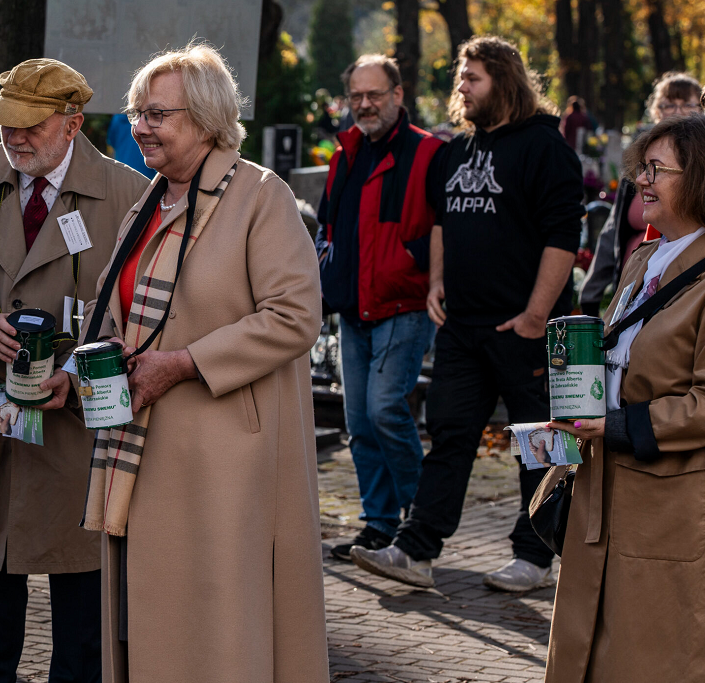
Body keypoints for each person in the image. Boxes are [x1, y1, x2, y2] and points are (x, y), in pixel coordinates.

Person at [81, 42, 328, 682]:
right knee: (157, 627)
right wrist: (78, 374)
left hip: (227, 465)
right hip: (147, 447)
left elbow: (296, 315)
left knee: (219, 628)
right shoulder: (152, 200)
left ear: (208, 119)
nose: (139, 126)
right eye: (137, 112)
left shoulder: (259, 197)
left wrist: (185, 363)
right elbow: (124, 315)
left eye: (158, 114)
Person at [0, 58, 148, 683]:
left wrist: (75, 372)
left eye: (30, 126)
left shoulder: (127, 194)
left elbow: (141, 319)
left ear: (72, 124)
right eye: (5, 123)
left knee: (82, 648)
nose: (14, 137)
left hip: (77, 436)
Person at [351, 35, 585, 592]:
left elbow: (563, 236)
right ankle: (415, 550)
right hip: (463, 327)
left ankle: (537, 555)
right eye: (461, 78)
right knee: (450, 434)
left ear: (504, 80)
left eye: (472, 78)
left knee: (542, 442)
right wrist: (436, 281)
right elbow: (440, 222)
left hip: (529, 330)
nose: (462, 87)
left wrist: (534, 315)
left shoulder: (544, 147)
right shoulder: (457, 149)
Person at [545, 113, 705, 682]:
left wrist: (616, 425)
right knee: (590, 650)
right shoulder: (644, 259)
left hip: (667, 507)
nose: (642, 179)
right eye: (642, 166)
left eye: (658, 169)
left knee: (650, 655)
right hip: (602, 489)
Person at [316, 54, 443, 560]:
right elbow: (330, 224)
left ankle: (419, 521)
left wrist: (419, 266)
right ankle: (379, 524)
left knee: (385, 410)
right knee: (360, 424)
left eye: (375, 94)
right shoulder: (345, 152)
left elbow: (442, 226)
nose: (365, 105)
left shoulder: (429, 152)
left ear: (397, 95)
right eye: (356, 97)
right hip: (354, 307)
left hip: (404, 303)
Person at [581, 72, 701, 316]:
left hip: (683, 290)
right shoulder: (640, 168)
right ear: (657, 110)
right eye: (669, 104)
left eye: (687, 103)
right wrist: (590, 292)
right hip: (634, 285)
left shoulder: (701, 170)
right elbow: (612, 233)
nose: (678, 110)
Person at [105, 112, 152, 177]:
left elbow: (112, 142)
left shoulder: (117, 119)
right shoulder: (150, 119)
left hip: (122, 171)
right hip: (147, 174)